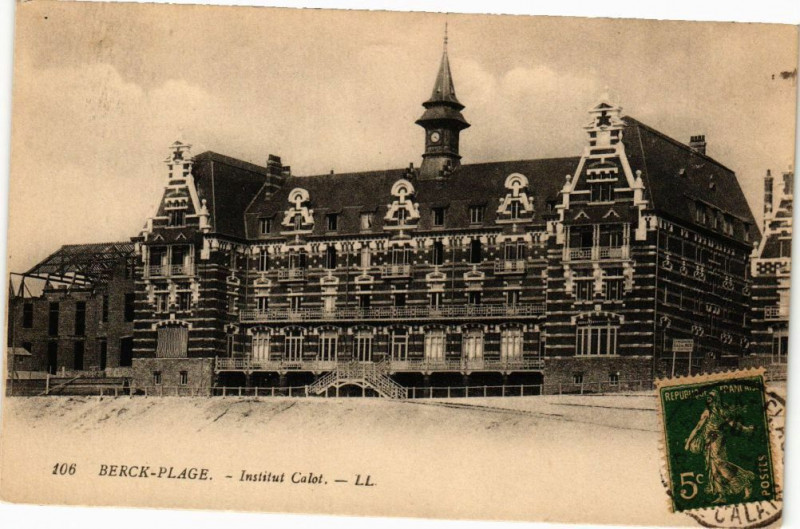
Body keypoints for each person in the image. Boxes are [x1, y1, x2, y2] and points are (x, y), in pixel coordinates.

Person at [684, 389, 755, 504]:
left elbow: (733, 424)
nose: (709, 398)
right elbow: (698, 427)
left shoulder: (720, 411)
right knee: (714, 468)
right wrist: (688, 442)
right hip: (708, 442)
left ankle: (745, 482)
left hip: (717, 440)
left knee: (721, 464)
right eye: (708, 396)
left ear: (716, 398)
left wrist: (746, 430)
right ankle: (722, 495)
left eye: (711, 396)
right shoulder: (707, 412)